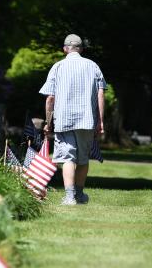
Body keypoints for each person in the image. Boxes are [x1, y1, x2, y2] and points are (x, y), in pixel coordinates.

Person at [39, 34, 106, 205]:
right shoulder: (93, 66)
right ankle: (79, 195)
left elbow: (50, 99)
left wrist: (48, 122)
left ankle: (69, 197)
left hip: (64, 120)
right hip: (86, 119)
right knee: (83, 158)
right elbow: (100, 94)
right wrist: (100, 121)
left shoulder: (58, 67)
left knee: (67, 158)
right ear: (81, 49)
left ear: (64, 49)